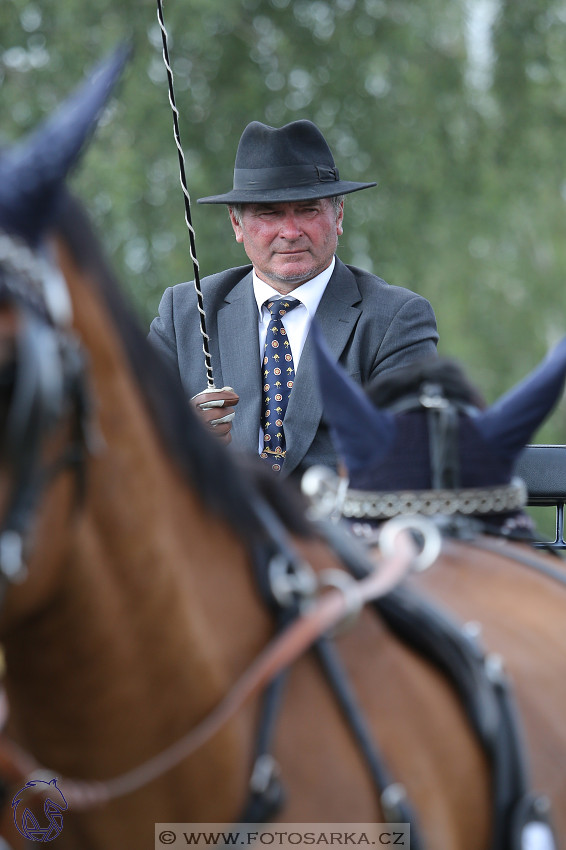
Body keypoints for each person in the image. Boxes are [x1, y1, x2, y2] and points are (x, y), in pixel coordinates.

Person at [148, 119, 438, 477]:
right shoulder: (185, 313)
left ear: (339, 214)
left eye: (308, 210)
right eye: (268, 214)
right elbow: (126, 437)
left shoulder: (395, 319)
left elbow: (411, 455)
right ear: (237, 225)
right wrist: (181, 437)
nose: (290, 231)